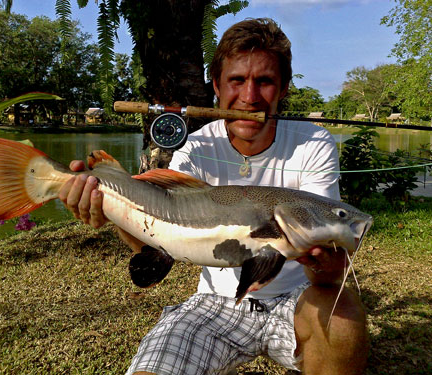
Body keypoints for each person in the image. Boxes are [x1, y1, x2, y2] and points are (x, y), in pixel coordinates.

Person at [59, 18, 368, 375]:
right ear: (217, 87)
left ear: (283, 89)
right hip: (213, 303)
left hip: (294, 299)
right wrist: (106, 211)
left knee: (343, 315)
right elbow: (153, 237)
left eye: (264, 81)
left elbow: (328, 271)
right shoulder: (195, 147)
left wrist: (327, 266)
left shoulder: (314, 142)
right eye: (236, 81)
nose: (250, 97)